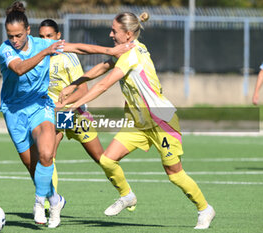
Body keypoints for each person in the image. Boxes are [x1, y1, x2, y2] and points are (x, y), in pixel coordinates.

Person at [59, 12, 215, 229]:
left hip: (162, 121)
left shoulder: (132, 56)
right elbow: (103, 67)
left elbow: (104, 84)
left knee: (174, 174)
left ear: (128, 34)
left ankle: (205, 209)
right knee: (107, 160)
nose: (110, 34)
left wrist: (75, 104)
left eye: (114, 31)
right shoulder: (125, 50)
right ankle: (127, 196)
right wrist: (75, 83)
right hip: (138, 123)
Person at [0, 1, 132, 228]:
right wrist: (45, 52)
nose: (15, 40)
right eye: (10, 36)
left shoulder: (44, 45)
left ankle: (41, 203)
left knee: (49, 155)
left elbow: (78, 48)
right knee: (33, 166)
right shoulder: (5, 50)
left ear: (28, 31)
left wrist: (110, 50)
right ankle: (55, 200)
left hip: (46, 108)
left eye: (19, 35)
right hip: (14, 112)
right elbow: (20, 68)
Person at [38, 19, 104, 198]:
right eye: (42, 37)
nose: (46, 41)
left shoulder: (68, 57)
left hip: (74, 113)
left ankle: (125, 192)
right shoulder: (38, 57)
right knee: (47, 157)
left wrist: (61, 106)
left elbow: (83, 90)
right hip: (52, 114)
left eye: (50, 36)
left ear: (59, 36)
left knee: (101, 159)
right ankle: (50, 202)